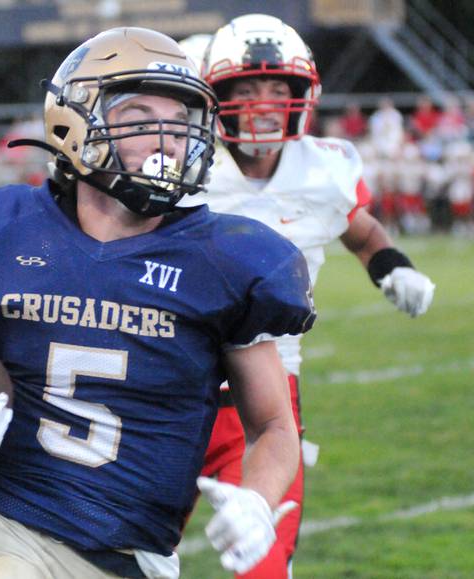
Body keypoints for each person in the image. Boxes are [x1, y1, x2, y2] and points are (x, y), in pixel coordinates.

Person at [0, 27, 316, 578]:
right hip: (10, 529)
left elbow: (272, 426)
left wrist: (259, 500)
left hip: (139, 556)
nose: (166, 137)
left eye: (180, 118)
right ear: (74, 121)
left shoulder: (228, 260)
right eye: (139, 114)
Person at [183, 14, 436, 578]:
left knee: (265, 565)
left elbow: (362, 231)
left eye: (278, 88)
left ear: (304, 95)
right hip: (168, 383)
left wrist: (394, 269)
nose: (263, 102)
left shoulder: (325, 169)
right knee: (132, 558)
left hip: (265, 398)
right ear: (214, 96)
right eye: (245, 88)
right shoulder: (181, 163)